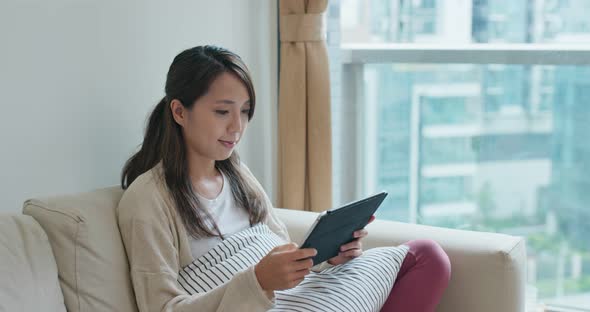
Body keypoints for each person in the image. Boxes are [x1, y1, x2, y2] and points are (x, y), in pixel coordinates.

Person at [117, 45, 451, 312]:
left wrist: (329, 256)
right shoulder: (147, 199)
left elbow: (284, 252)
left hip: (294, 297)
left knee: (425, 256)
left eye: (245, 111)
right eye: (222, 111)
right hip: (259, 302)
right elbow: (161, 307)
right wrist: (257, 282)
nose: (237, 127)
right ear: (179, 111)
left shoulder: (236, 174)